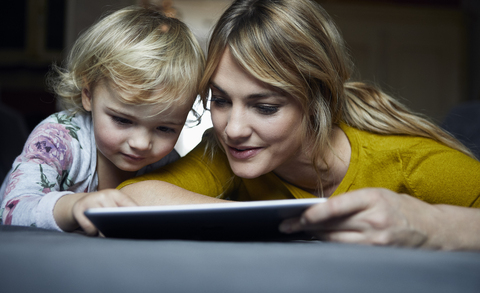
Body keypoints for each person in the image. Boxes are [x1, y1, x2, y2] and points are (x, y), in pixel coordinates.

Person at [118, 0, 480, 250]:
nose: (233, 129)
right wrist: (277, 220)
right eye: (222, 100)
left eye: (265, 107)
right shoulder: (223, 153)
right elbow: (134, 198)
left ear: (316, 101)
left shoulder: (408, 163)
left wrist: (433, 223)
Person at [0, 6, 205, 235]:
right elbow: (12, 211)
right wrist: (74, 206)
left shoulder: (166, 163)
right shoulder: (57, 139)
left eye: (165, 128)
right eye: (123, 120)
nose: (141, 143)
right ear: (88, 95)